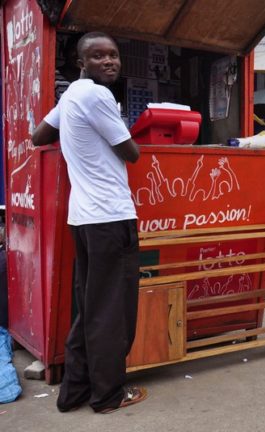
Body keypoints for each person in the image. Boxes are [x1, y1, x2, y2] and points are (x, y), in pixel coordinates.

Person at [31, 31, 147, 414]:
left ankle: (74, 392)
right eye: (98, 57)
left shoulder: (71, 97)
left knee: (88, 307)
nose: (109, 62)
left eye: (113, 55)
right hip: (111, 218)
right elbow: (131, 152)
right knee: (112, 312)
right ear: (81, 62)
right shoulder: (97, 96)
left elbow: (38, 136)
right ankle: (109, 395)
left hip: (82, 219)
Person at [55, 34, 82, 103]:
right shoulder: (53, 77)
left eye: (82, 51)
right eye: (74, 49)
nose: (78, 54)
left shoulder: (91, 79)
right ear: (65, 52)